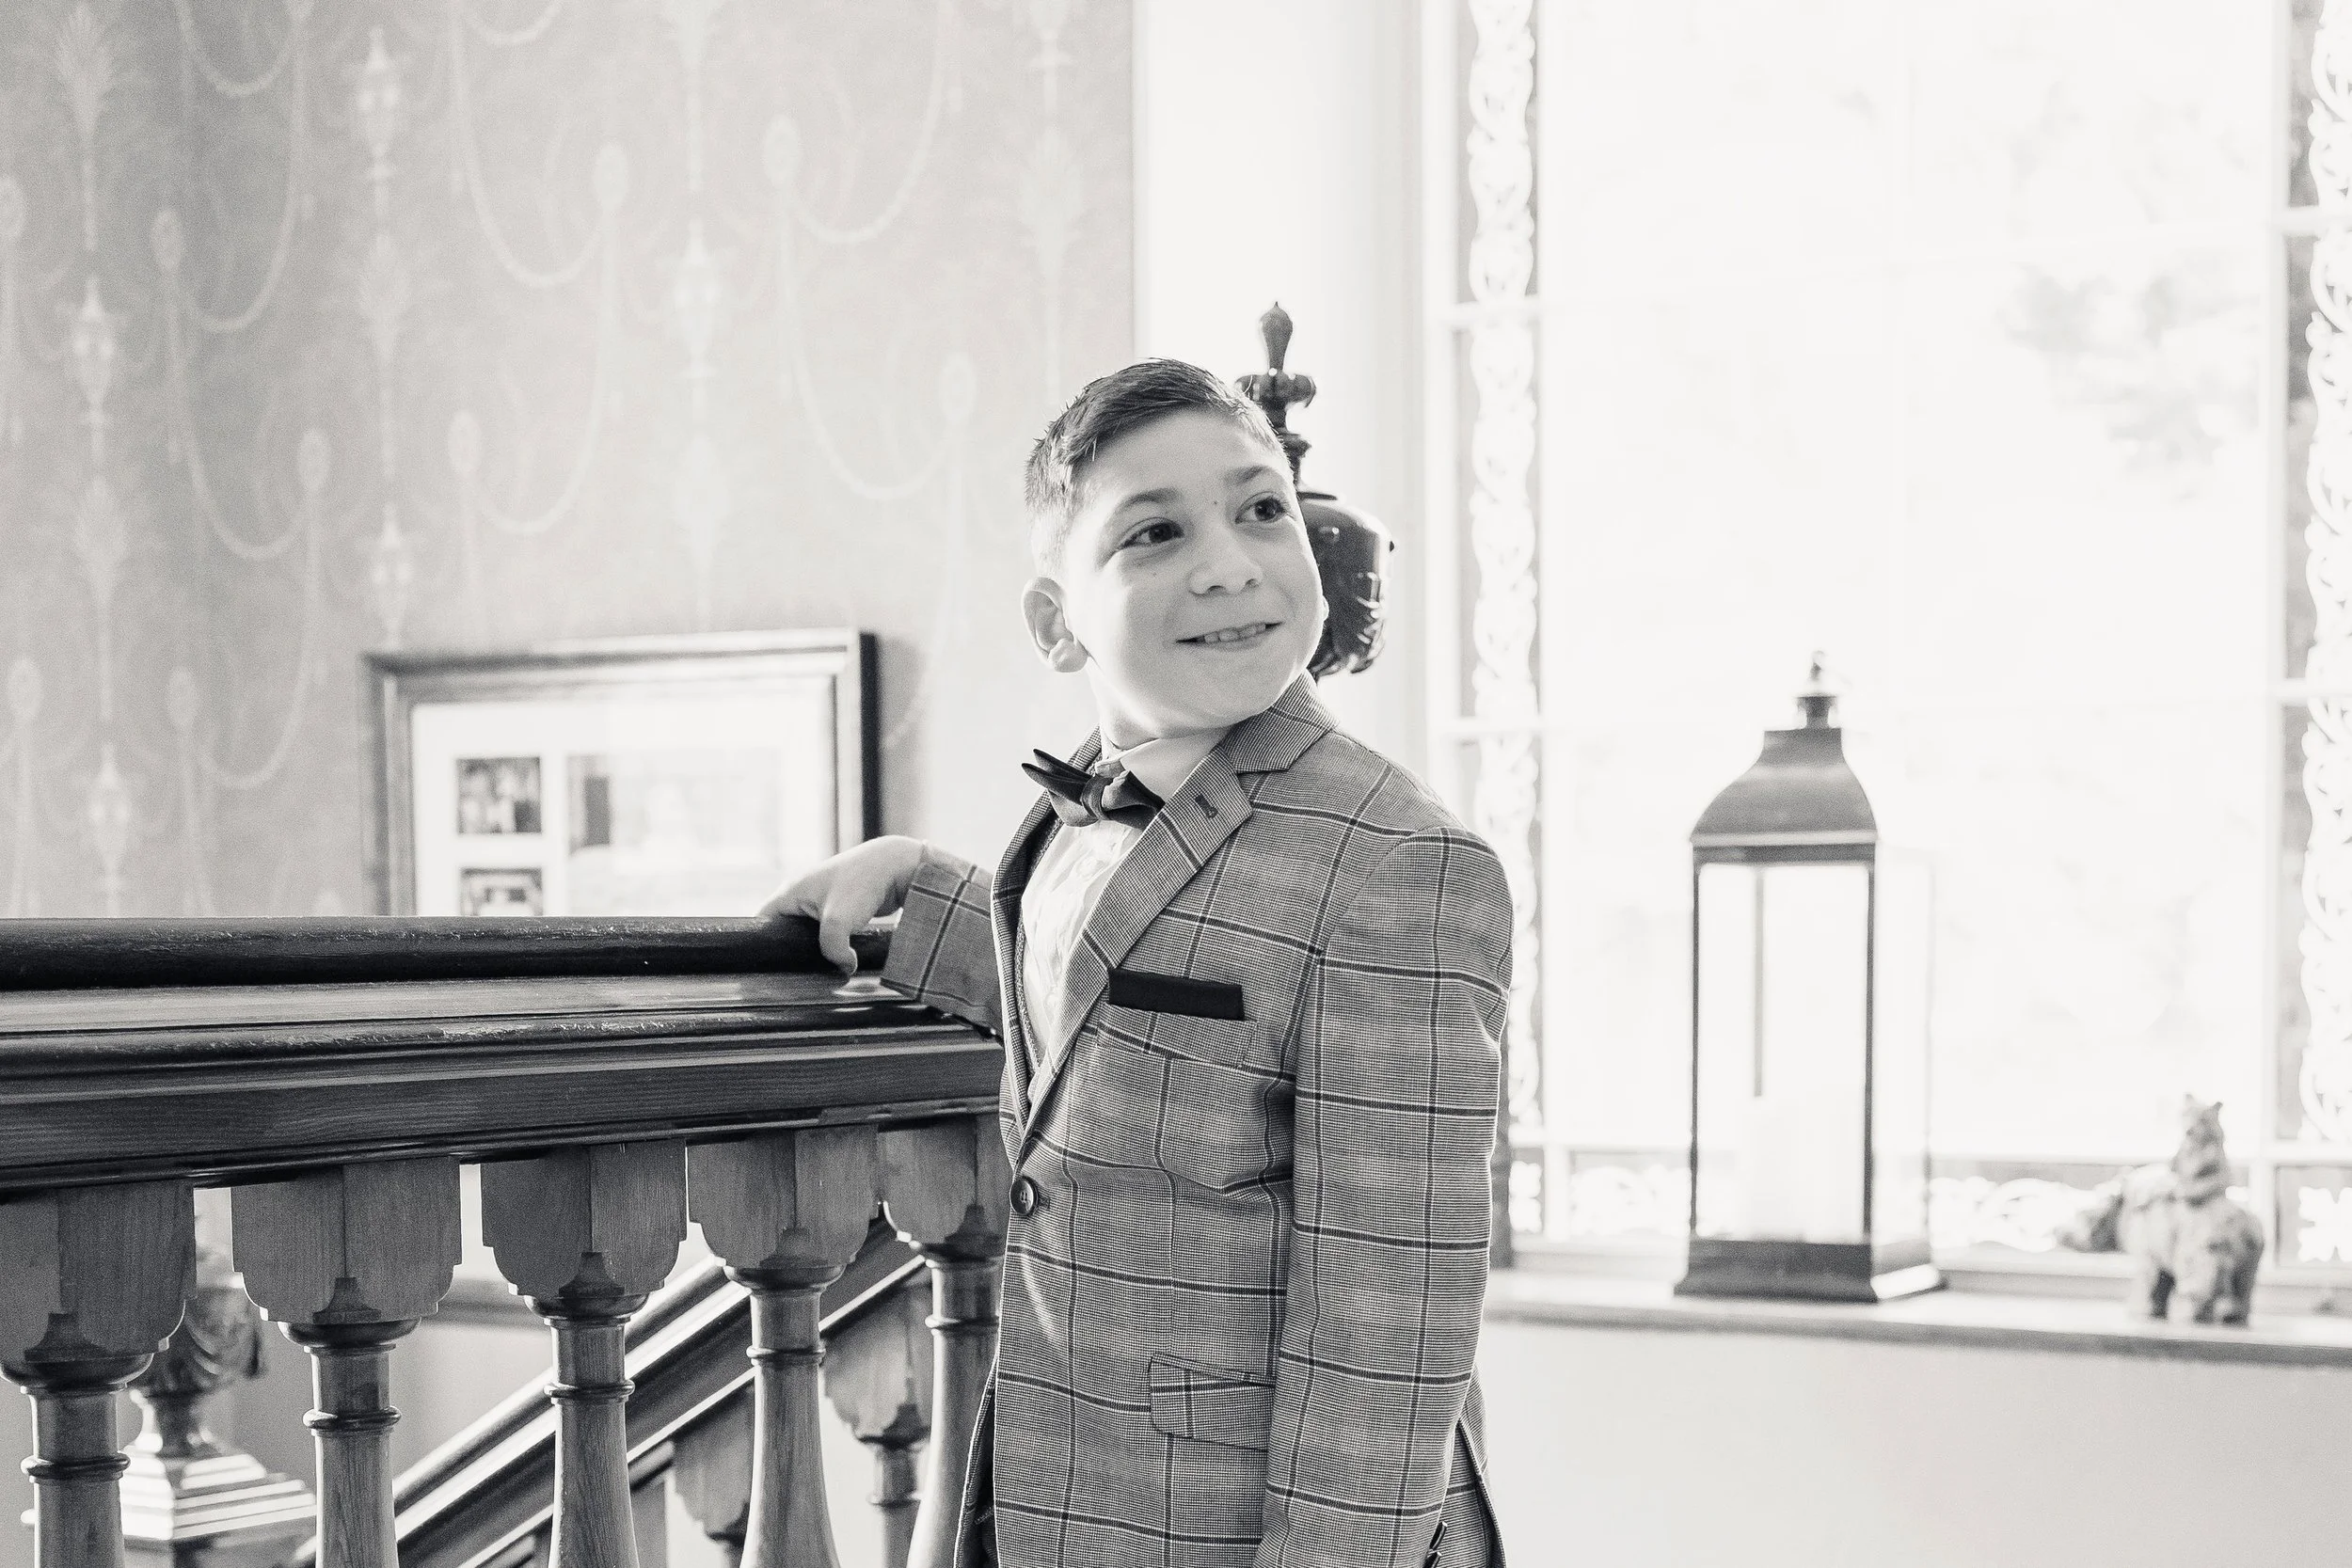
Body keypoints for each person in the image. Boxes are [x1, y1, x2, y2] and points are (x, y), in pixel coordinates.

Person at [768, 358, 1510, 1568]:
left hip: (1278, 1525)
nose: (1229, 560)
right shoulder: (1076, 818)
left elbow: (1390, 1325)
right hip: (1071, 1491)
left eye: (1261, 507)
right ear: (1058, 624)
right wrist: (919, 883)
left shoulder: (1403, 867)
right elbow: (1111, 1000)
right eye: (1156, 531)